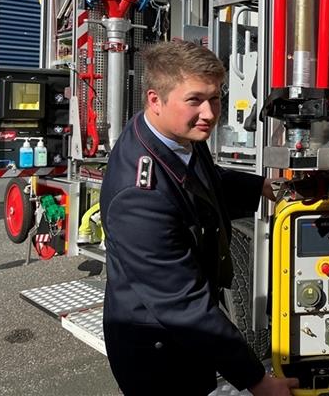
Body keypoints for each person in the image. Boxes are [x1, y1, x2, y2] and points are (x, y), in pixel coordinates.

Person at [100, 40, 298, 396]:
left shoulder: (173, 135)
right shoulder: (139, 197)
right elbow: (185, 306)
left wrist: (263, 186)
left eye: (216, 98)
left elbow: (204, 177)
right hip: (158, 355)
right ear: (154, 100)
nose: (209, 112)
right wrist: (258, 381)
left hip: (182, 340)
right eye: (194, 100)